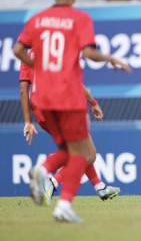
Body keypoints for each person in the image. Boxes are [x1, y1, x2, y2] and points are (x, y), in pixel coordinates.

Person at [13, 0, 131, 223]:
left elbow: (18, 51)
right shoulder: (79, 19)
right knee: (85, 153)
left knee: (79, 152)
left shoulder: (37, 20)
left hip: (42, 102)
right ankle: (46, 176)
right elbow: (89, 53)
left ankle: (75, 196)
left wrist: (41, 67)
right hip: (67, 98)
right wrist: (111, 58)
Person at [19, 51, 121, 206]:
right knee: (88, 154)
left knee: (82, 151)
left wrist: (28, 121)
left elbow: (23, 90)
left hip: (40, 112)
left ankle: (100, 187)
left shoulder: (26, 56)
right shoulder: (54, 49)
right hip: (60, 107)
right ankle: (51, 182)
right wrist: (93, 102)